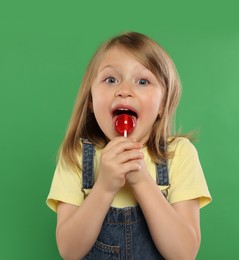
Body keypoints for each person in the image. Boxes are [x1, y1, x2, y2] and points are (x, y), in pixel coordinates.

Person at [46, 32, 211, 260]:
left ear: (163, 103)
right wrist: (104, 186)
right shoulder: (76, 156)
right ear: (91, 101)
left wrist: (141, 180)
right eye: (111, 79)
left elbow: (184, 253)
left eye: (142, 81)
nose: (124, 90)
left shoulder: (178, 154)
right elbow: (69, 251)